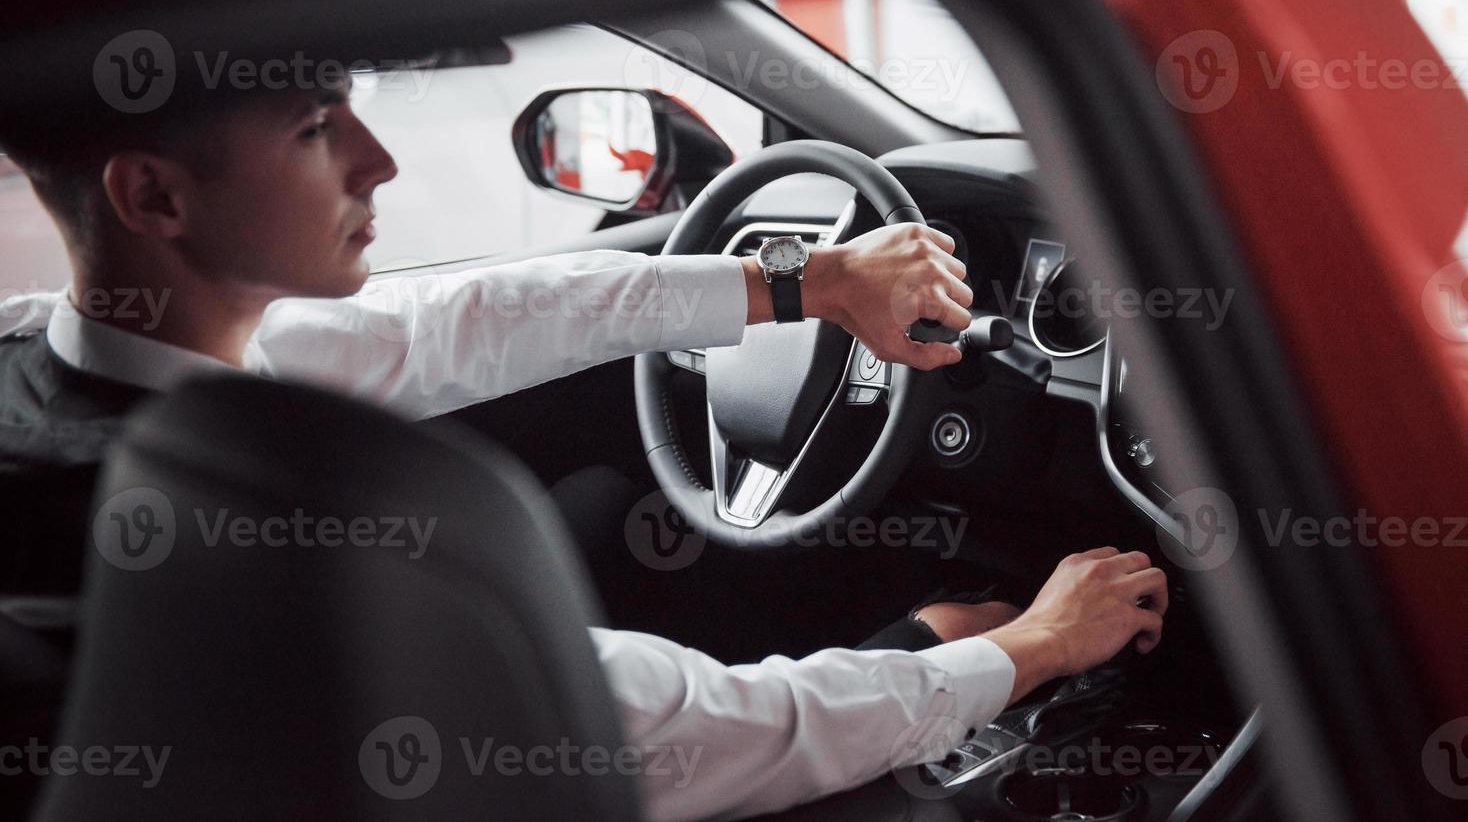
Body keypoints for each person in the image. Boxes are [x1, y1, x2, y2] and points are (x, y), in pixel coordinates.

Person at [0, 68, 1167, 820]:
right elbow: (696, 730)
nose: (378, 158)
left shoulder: (50, 356)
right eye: (315, 127)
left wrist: (815, 278)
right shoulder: (279, 574)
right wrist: (1026, 648)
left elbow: (463, 320)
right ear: (154, 197)